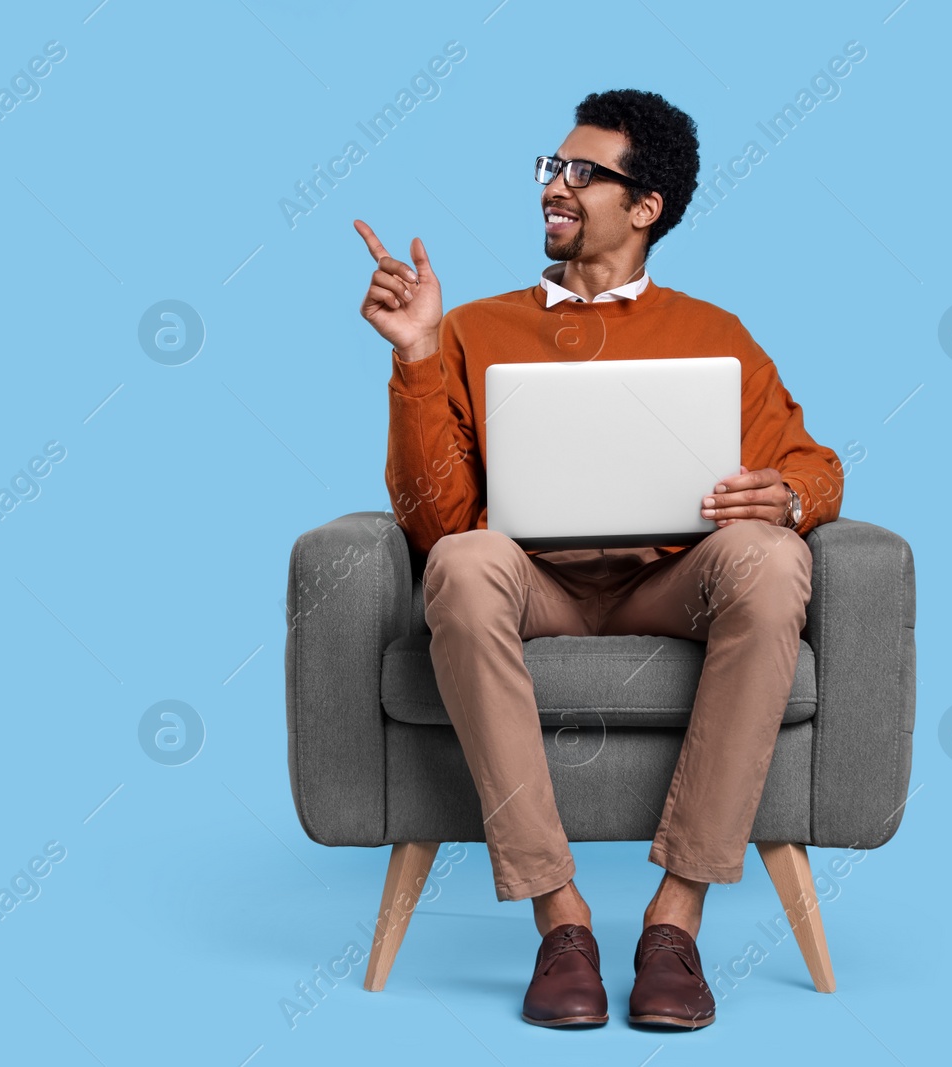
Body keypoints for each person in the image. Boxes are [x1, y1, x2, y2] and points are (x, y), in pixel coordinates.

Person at [352, 88, 843, 1031]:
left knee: (773, 561)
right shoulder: (474, 329)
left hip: (669, 585)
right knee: (461, 563)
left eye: (583, 173)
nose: (556, 186)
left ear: (645, 206)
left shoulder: (716, 335)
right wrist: (416, 356)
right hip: (537, 587)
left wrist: (789, 498)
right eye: (553, 168)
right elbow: (436, 522)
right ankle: (560, 919)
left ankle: (676, 919)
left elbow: (813, 464)